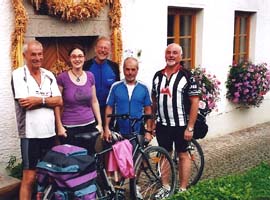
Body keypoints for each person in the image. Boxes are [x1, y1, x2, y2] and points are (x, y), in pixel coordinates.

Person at [11, 40, 63, 200]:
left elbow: (59, 101)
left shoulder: (49, 75)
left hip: (49, 133)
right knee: (29, 177)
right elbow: (26, 103)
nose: (37, 57)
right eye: (33, 54)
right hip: (30, 134)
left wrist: (38, 100)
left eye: (40, 54)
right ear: (25, 55)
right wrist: (48, 99)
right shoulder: (18, 75)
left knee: (49, 174)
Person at [151, 43, 200, 199]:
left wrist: (190, 128)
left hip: (181, 125)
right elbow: (154, 101)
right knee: (164, 154)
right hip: (163, 124)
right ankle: (165, 187)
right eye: (168, 53)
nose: (171, 55)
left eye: (174, 53)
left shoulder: (187, 76)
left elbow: (195, 102)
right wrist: (152, 122)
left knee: (183, 155)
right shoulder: (158, 76)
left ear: (181, 56)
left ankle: (183, 189)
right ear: (165, 55)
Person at [55, 45, 103, 153]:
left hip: (89, 126)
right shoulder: (62, 78)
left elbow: (94, 101)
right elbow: (57, 104)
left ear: (84, 58)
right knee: (73, 162)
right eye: (74, 56)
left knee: (90, 159)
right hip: (70, 128)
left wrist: (99, 123)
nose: (77, 59)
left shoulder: (90, 76)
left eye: (80, 56)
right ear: (69, 58)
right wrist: (59, 126)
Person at [103, 57, 153, 145]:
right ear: (123, 69)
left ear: (137, 70)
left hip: (138, 132)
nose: (130, 73)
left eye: (133, 70)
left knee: (137, 158)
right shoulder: (115, 86)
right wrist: (106, 128)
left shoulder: (144, 88)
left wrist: (148, 131)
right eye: (127, 69)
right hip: (119, 131)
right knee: (120, 158)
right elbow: (109, 108)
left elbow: (148, 110)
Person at [83, 36, 120, 126]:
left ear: (110, 51)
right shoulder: (86, 66)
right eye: (100, 47)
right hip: (90, 111)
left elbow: (117, 89)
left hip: (109, 111)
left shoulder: (114, 67)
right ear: (95, 49)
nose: (103, 50)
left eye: (106, 48)